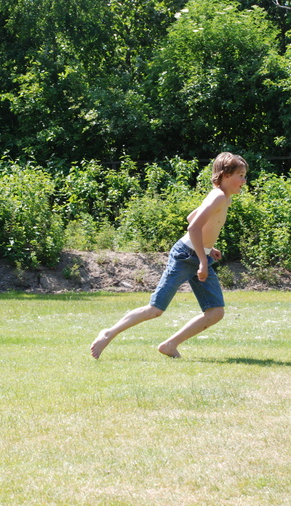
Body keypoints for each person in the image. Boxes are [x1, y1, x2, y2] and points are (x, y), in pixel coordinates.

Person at [91, 152, 248, 359]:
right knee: (155, 309)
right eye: (241, 176)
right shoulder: (218, 196)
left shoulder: (223, 198)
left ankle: (169, 345)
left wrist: (209, 248)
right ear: (226, 175)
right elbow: (193, 227)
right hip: (186, 256)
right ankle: (108, 333)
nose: (244, 181)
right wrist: (203, 260)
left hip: (200, 253)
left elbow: (192, 217)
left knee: (216, 312)